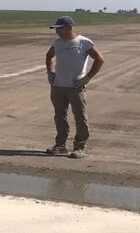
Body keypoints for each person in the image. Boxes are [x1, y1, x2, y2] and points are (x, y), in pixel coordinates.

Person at [45, 15, 105, 159]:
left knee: (80, 117)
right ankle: (60, 145)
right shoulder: (58, 43)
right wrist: (50, 72)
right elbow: (49, 55)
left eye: (60, 29)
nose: (57, 32)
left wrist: (87, 77)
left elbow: (99, 59)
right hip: (58, 86)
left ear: (69, 28)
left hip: (75, 87)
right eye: (56, 29)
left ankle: (80, 147)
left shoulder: (83, 42)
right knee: (60, 116)